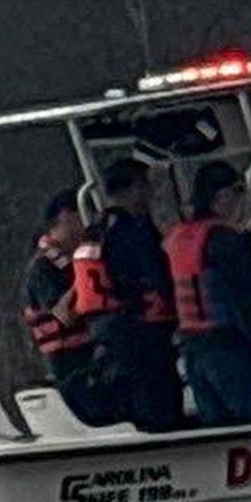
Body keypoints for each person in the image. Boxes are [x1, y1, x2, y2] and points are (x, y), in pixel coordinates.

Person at [163, 161, 251, 425]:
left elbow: (207, 267)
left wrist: (248, 237)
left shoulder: (177, 238)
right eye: (238, 192)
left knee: (218, 431)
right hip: (228, 349)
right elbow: (247, 296)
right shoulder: (225, 239)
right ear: (221, 196)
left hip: (192, 353)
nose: (239, 201)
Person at [73, 159, 184, 431]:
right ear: (131, 189)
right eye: (145, 186)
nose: (150, 193)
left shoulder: (95, 230)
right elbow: (155, 277)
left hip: (109, 339)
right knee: (161, 414)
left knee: (136, 413)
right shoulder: (131, 231)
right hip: (142, 338)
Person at [20, 189, 119, 426]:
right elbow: (63, 314)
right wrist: (85, 278)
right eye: (79, 216)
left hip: (95, 360)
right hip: (72, 367)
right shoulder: (43, 268)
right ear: (64, 217)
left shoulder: (71, 262)